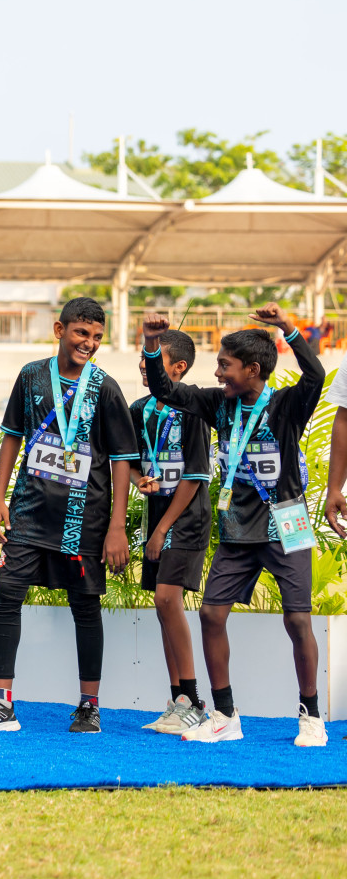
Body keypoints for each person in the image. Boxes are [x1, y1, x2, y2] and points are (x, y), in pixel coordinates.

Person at [145, 306, 327, 747]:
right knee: (211, 613)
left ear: (252, 369)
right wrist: (153, 343)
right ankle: (226, 715)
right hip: (237, 526)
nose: (218, 372)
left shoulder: (285, 406)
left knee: (298, 620)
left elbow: (316, 376)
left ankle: (311, 715)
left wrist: (288, 329)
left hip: (289, 521)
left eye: (225, 365)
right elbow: (165, 387)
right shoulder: (217, 404)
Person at [0, 297, 138, 734]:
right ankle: (1, 702)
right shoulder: (31, 376)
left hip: (86, 518)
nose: (90, 343)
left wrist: (117, 526)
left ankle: (89, 706)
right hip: (29, 511)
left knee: (85, 606)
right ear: (60, 330)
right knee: (7, 594)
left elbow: (120, 458)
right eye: (82, 333)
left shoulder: (106, 386)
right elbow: (12, 437)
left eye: (98, 337)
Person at [128, 328, 211, 735]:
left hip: (186, 517)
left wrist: (161, 529)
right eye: (142, 360)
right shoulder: (139, 408)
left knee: (167, 599)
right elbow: (126, 460)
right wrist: (136, 480)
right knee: (163, 609)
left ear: (178, 367)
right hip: (155, 516)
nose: (144, 366)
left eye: (154, 360)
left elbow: (195, 477)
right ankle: (178, 698)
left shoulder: (193, 406)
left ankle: (194, 701)